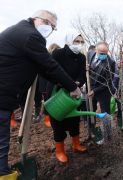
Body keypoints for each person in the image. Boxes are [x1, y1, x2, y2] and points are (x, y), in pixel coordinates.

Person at [0, 10, 81, 179]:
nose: (50, 28)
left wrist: (62, 84)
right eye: (48, 24)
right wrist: (72, 87)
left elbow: (42, 68)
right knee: (1, 139)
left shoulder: (21, 31)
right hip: (3, 93)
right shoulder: (30, 36)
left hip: (6, 93)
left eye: (53, 27)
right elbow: (49, 65)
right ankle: (3, 173)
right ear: (36, 19)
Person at [47, 32, 87, 163]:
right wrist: (68, 85)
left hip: (74, 93)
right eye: (76, 41)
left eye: (81, 42)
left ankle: (76, 144)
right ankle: (60, 151)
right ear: (69, 40)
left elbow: (82, 75)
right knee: (58, 122)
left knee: (74, 120)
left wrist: (78, 83)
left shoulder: (82, 57)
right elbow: (52, 72)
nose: (79, 44)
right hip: (59, 93)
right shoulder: (58, 54)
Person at [88, 42, 115, 143]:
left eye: (105, 53)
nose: (103, 54)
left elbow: (108, 82)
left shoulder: (111, 62)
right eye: (101, 52)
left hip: (103, 90)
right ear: (96, 50)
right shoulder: (89, 54)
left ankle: (108, 137)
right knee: (90, 111)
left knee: (105, 114)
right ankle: (93, 133)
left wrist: (94, 91)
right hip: (89, 88)